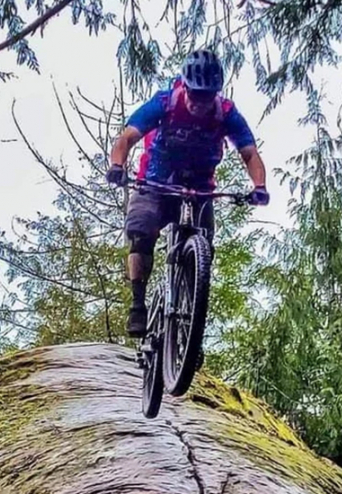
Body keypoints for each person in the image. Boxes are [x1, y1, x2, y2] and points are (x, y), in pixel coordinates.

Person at [106, 49, 270, 338]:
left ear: (216, 94)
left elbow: (250, 154)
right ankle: (138, 304)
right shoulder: (164, 103)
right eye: (195, 95)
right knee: (141, 231)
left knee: (204, 251)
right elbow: (127, 137)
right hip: (155, 183)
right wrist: (117, 165)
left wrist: (259, 187)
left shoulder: (227, 113)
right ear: (185, 87)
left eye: (207, 97)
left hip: (200, 190)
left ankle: (191, 330)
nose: (199, 103)